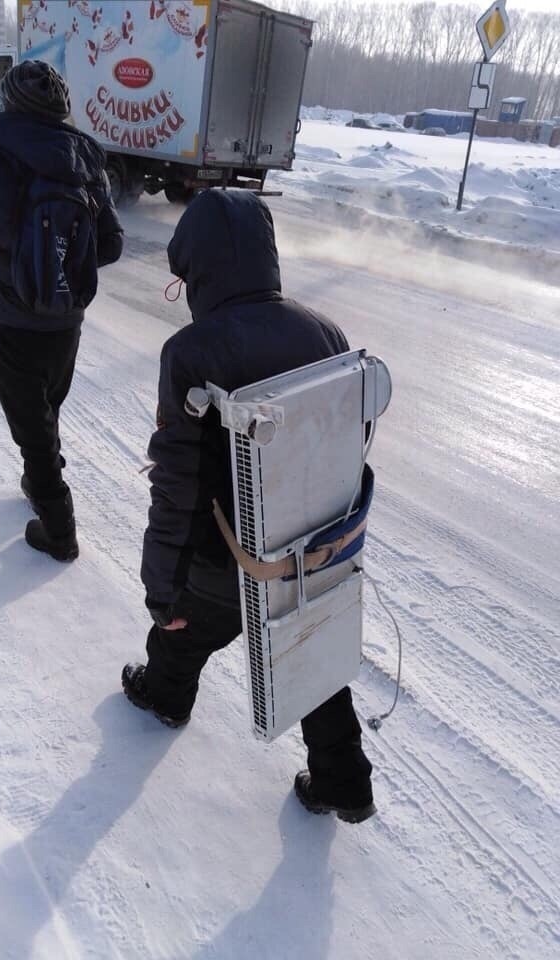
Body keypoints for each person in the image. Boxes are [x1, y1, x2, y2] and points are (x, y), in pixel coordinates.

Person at [122, 189, 375, 823]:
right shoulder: (326, 331)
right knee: (309, 657)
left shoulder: (191, 353)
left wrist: (162, 590)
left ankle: (165, 698)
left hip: (222, 564)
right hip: (307, 552)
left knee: (179, 638)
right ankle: (344, 782)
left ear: (198, 268)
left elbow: (176, 486)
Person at [0, 60, 123, 561]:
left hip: (12, 312)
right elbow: (112, 245)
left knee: (26, 415)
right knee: (45, 404)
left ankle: (59, 527)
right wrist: (64, 264)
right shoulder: (87, 157)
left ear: (9, 102)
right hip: (67, 317)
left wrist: (3, 264)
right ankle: (40, 472)